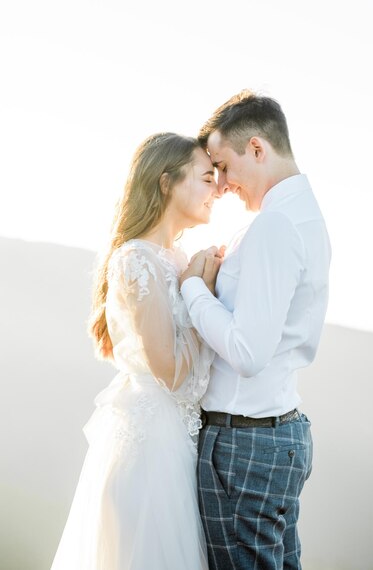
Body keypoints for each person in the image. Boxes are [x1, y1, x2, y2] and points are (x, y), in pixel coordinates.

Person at [50, 133, 223, 570]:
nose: (218, 189)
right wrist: (201, 291)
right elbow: (171, 372)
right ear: (167, 182)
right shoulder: (135, 261)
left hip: (179, 439)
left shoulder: (178, 257)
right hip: (151, 449)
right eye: (206, 178)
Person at [180, 90, 331, 570]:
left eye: (224, 165)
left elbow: (247, 351)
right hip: (274, 434)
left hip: (245, 447)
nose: (221, 184)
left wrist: (193, 290)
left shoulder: (274, 226)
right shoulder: (305, 218)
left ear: (259, 149)